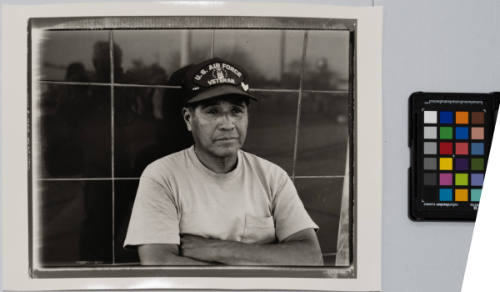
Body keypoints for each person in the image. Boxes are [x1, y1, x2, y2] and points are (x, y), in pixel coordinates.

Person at [124, 58, 323, 266]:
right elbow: (159, 262)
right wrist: (265, 258)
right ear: (188, 119)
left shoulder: (273, 176)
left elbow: (310, 256)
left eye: (236, 111)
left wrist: (217, 249)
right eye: (212, 111)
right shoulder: (162, 175)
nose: (227, 124)